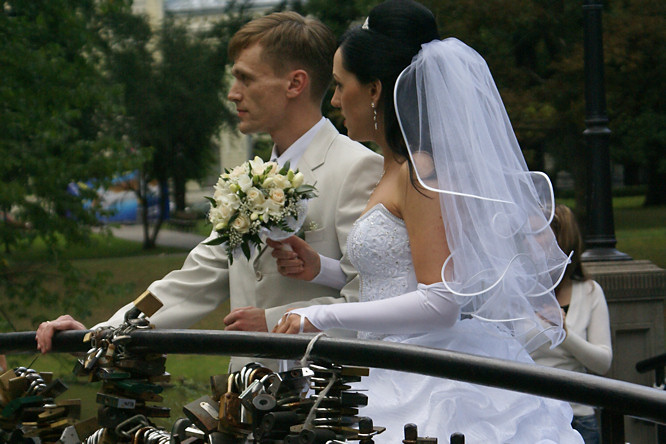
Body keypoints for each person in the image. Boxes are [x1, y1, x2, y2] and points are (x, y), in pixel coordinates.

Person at [270, 0, 584, 442]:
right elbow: (397, 275)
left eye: (341, 86)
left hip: (430, 377)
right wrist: (321, 270)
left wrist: (319, 316)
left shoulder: (423, 173)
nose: (336, 100)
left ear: (375, 89)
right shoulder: (394, 166)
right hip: (387, 362)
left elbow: (441, 301)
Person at [35, 12, 383, 372]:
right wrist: (99, 336)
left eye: (245, 79)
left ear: (295, 84)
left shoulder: (357, 168)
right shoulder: (250, 182)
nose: (233, 94)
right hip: (246, 404)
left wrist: (275, 322)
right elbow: (190, 283)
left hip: (326, 408)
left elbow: (371, 299)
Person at [530, 204, 612, 444]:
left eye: (538, 233)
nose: (529, 241)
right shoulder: (519, 293)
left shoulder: (589, 292)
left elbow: (603, 362)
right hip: (531, 415)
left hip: (578, 418)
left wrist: (564, 334)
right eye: (527, 234)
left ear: (561, 240)